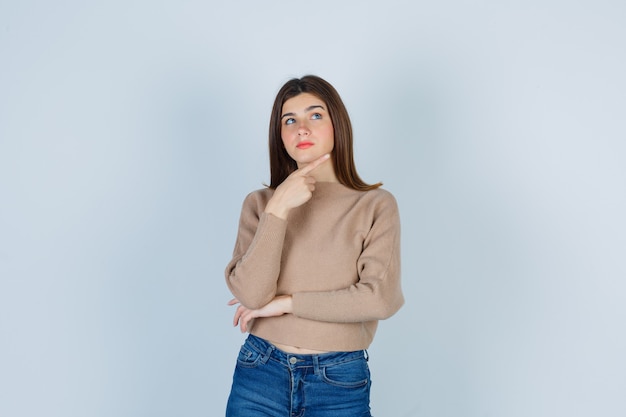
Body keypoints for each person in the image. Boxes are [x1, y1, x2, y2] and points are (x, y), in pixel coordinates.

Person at [224, 75, 404, 417]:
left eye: (315, 115)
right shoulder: (260, 204)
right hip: (260, 371)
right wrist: (278, 208)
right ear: (280, 136)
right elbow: (252, 294)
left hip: (337, 380)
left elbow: (378, 298)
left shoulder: (374, 205)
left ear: (337, 124)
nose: (301, 129)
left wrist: (286, 304)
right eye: (289, 120)